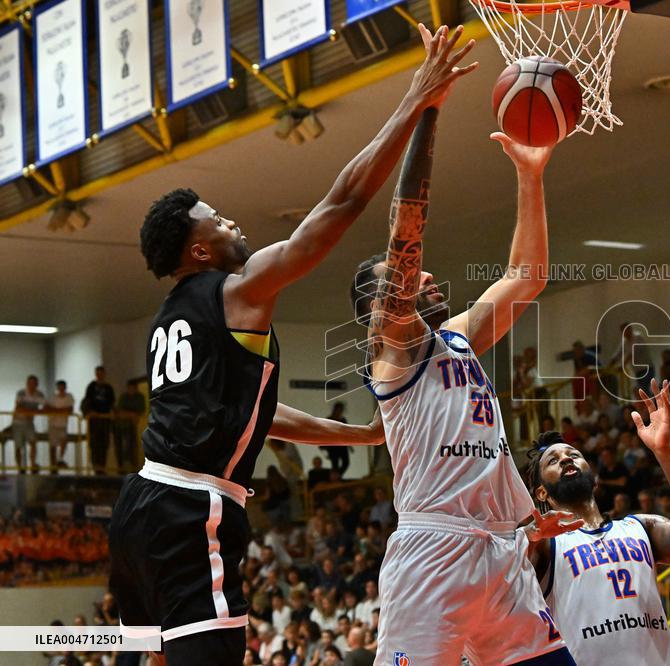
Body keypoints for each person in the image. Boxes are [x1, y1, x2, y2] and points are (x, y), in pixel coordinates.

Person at [107, 20, 466, 664]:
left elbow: (257, 417)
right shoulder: (234, 290)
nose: (230, 221)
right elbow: (343, 202)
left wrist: (358, 436)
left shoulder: (172, 315)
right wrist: (417, 99)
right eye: (215, 220)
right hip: (192, 510)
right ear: (199, 248)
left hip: (141, 505)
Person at [348, 24, 578, 666]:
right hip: (433, 556)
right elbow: (405, 232)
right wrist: (428, 112)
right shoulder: (392, 349)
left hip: (501, 554)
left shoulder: (456, 340)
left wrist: (530, 176)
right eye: (410, 276)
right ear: (383, 303)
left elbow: (526, 277)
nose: (427, 274)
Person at [523, 380, 670, 663]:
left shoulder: (640, 527)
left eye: (574, 455)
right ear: (542, 492)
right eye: (553, 460)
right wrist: (528, 537)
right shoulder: (545, 544)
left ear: (596, 477)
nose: (566, 459)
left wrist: (665, 453)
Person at [82, 366, 115, 474]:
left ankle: (102, 467)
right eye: (98, 373)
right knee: (94, 444)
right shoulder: (91, 387)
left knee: (104, 443)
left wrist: (111, 413)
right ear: (96, 374)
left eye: (102, 373)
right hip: (94, 419)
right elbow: (87, 400)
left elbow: (112, 402)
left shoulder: (108, 388)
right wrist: (90, 412)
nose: (100, 375)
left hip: (105, 419)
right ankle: (95, 468)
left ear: (104, 374)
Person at [12, 375, 45, 473]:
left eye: (34, 383)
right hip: (18, 422)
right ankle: (19, 467)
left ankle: (33, 464)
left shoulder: (39, 394)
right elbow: (18, 407)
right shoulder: (21, 393)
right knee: (18, 446)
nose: (32, 385)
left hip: (29, 423)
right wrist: (31, 412)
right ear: (27, 383)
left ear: (37, 384)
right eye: (30, 383)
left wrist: (32, 412)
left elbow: (44, 407)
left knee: (33, 442)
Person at [114, 379, 146, 472]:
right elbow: (120, 412)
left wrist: (128, 414)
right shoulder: (123, 397)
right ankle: (121, 467)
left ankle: (133, 467)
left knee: (132, 446)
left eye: (133, 388)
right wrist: (131, 414)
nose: (131, 390)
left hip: (134, 426)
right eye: (130, 388)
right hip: (120, 426)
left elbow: (140, 411)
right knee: (120, 446)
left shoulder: (140, 397)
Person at [45, 380, 74, 471]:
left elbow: (70, 410)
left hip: (63, 424)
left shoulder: (69, 397)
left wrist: (55, 410)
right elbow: (46, 407)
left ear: (65, 388)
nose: (61, 389)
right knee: (53, 445)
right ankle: (53, 465)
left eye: (63, 387)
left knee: (64, 441)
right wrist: (61, 411)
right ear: (57, 388)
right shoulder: (52, 397)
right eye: (59, 387)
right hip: (53, 423)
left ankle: (60, 459)